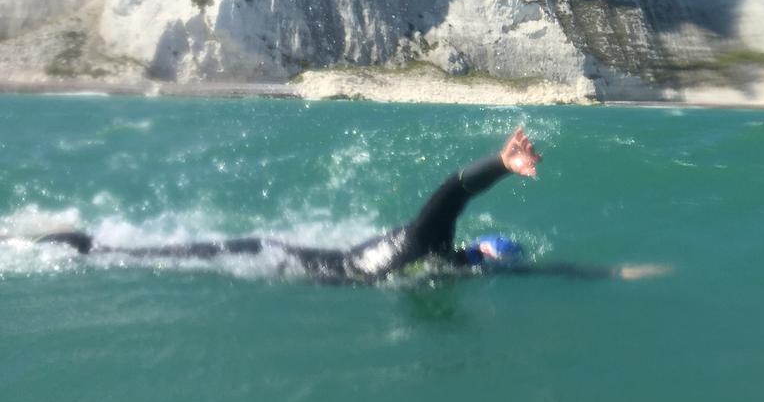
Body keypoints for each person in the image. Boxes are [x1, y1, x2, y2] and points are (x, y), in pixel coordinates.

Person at [25, 127, 667, 283]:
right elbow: (446, 198)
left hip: (300, 257)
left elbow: (539, 271)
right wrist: (496, 165)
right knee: (166, 257)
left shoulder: (438, 255)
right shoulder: (429, 251)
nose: (479, 252)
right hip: (303, 267)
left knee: (183, 252)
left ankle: (86, 243)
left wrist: (609, 273)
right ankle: (84, 246)